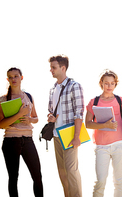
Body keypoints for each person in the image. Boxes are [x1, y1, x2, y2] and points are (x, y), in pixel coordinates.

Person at [0, 67, 43, 197]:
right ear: (8, 79)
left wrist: (29, 119)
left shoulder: (28, 96)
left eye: (16, 76)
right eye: (10, 77)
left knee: (37, 176)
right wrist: (19, 114)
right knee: (13, 178)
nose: (13, 79)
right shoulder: (3, 99)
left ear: (21, 78)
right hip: (11, 141)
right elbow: (0, 125)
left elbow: (36, 118)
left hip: (28, 140)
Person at [85, 69, 122, 197]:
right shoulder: (94, 101)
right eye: (106, 83)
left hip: (120, 144)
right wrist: (105, 125)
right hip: (101, 146)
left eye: (112, 83)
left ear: (116, 84)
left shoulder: (120, 100)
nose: (109, 86)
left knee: (119, 181)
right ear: (101, 83)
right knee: (100, 181)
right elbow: (88, 124)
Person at [47, 55, 84, 197]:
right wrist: (50, 117)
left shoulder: (74, 86)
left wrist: (76, 137)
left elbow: (79, 113)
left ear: (63, 68)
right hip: (56, 135)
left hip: (69, 135)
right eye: (50, 67)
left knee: (71, 171)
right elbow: (51, 111)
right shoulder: (52, 89)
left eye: (54, 67)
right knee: (62, 171)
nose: (51, 70)